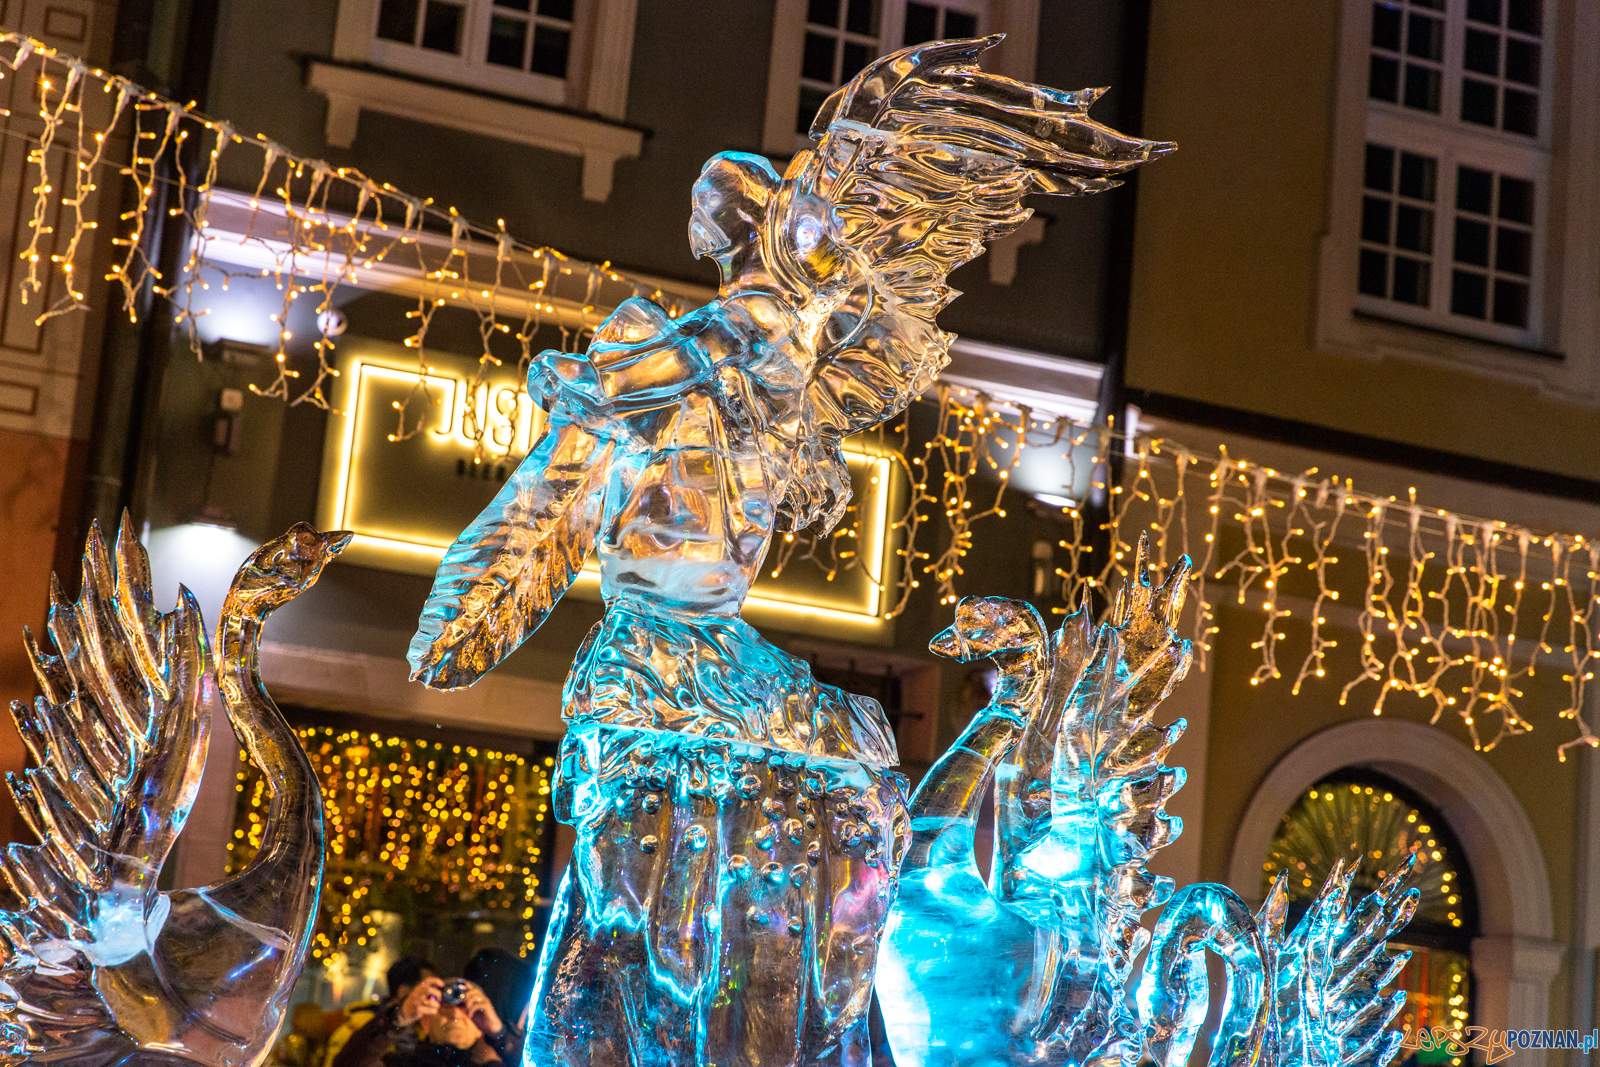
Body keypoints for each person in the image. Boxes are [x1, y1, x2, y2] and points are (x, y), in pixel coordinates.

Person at [331, 976, 520, 1067]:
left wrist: (500, 1034)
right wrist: (399, 1017)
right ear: (425, 1021)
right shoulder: (400, 1064)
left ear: (481, 1027)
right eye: (445, 1006)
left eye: (466, 1008)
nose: (455, 1013)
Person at [322, 957, 437, 1067]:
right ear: (403, 991)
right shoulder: (359, 1028)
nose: (435, 997)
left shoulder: (421, 1033)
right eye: (428, 990)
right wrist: (399, 1016)